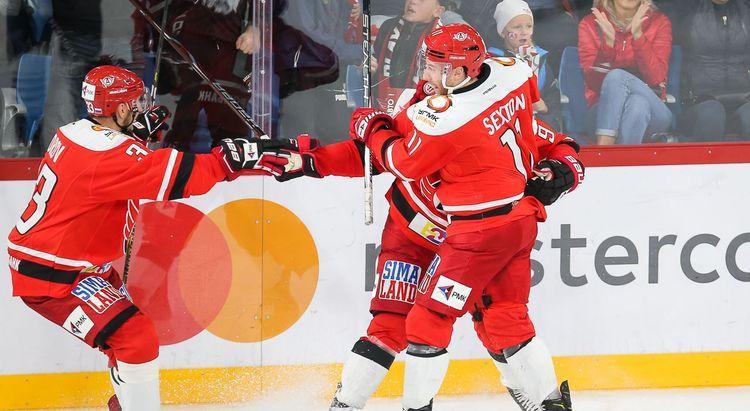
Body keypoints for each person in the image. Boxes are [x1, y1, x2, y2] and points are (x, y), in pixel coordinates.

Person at [276, 23, 583, 411]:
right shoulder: (504, 77)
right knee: (401, 323)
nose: (425, 74)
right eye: (426, 63)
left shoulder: (443, 116)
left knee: (461, 323)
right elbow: (368, 155)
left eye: (435, 66)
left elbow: (398, 158)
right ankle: (347, 405)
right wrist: (309, 160)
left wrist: (371, 126)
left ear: (460, 71)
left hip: (472, 234)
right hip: (419, 233)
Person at [5, 65, 291, 411]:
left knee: (128, 336)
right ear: (119, 109)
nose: (139, 108)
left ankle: (127, 403)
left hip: (67, 263)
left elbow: (106, 170)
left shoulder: (71, 132)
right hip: (54, 276)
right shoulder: (110, 154)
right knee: (135, 336)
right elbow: (188, 177)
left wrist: (133, 137)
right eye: (133, 104)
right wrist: (236, 157)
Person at [578, 0, 673, 145]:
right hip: (601, 110)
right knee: (637, 105)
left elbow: (657, 78)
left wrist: (638, 36)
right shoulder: (590, 24)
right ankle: (623, 157)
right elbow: (593, 84)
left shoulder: (659, 22)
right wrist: (608, 45)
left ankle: (605, 148)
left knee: (617, 77)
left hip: (654, 109)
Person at [371, 0, 463, 113]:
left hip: (421, 110)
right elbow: (376, 60)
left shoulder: (443, 42)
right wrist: (372, 69)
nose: (412, 1)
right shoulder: (388, 27)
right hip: (381, 103)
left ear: (438, 11)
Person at [677, 0, 750, 141]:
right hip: (699, 100)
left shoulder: (745, 9)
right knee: (712, 114)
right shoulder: (687, 8)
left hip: (742, 98)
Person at [489, 0, 562, 129]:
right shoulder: (493, 59)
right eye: (517, 27)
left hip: (540, 123)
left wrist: (545, 107)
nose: (524, 32)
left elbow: (553, 94)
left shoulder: (541, 57)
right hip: (509, 126)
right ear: (503, 32)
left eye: (529, 26)